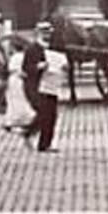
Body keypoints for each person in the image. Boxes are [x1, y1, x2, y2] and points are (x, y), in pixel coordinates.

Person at [22, 20, 67, 153]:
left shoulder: (53, 49)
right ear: (38, 34)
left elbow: (61, 63)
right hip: (35, 87)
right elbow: (26, 68)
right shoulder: (32, 49)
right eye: (44, 33)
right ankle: (29, 132)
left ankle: (45, 144)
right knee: (43, 113)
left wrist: (64, 67)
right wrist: (38, 66)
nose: (47, 36)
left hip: (51, 86)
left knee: (52, 115)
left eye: (49, 33)